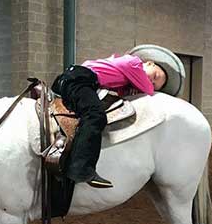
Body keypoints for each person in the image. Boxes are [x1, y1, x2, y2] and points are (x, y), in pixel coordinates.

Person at [51, 53, 168, 189]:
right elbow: (148, 91)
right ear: (150, 63)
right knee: (95, 115)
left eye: (154, 83)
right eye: (155, 77)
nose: (151, 82)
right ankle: (80, 168)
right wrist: (150, 89)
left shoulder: (125, 71)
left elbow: (123, 93)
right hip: (80, 79)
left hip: (78, 79)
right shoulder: (134, 63)